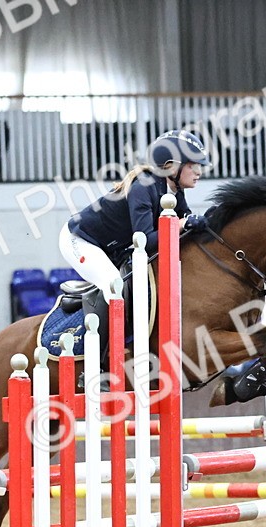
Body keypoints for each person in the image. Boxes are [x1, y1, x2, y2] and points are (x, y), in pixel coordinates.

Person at [58, 129, 211, 362]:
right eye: (193, 165)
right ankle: (96, 364)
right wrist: (180, 224)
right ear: (171, 166)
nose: (199, 172)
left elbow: (184, 228)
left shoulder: (174, 190)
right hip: (80, 240)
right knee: (114, 287)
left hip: (112, 247)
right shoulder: (144, 187)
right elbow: (145, 240)